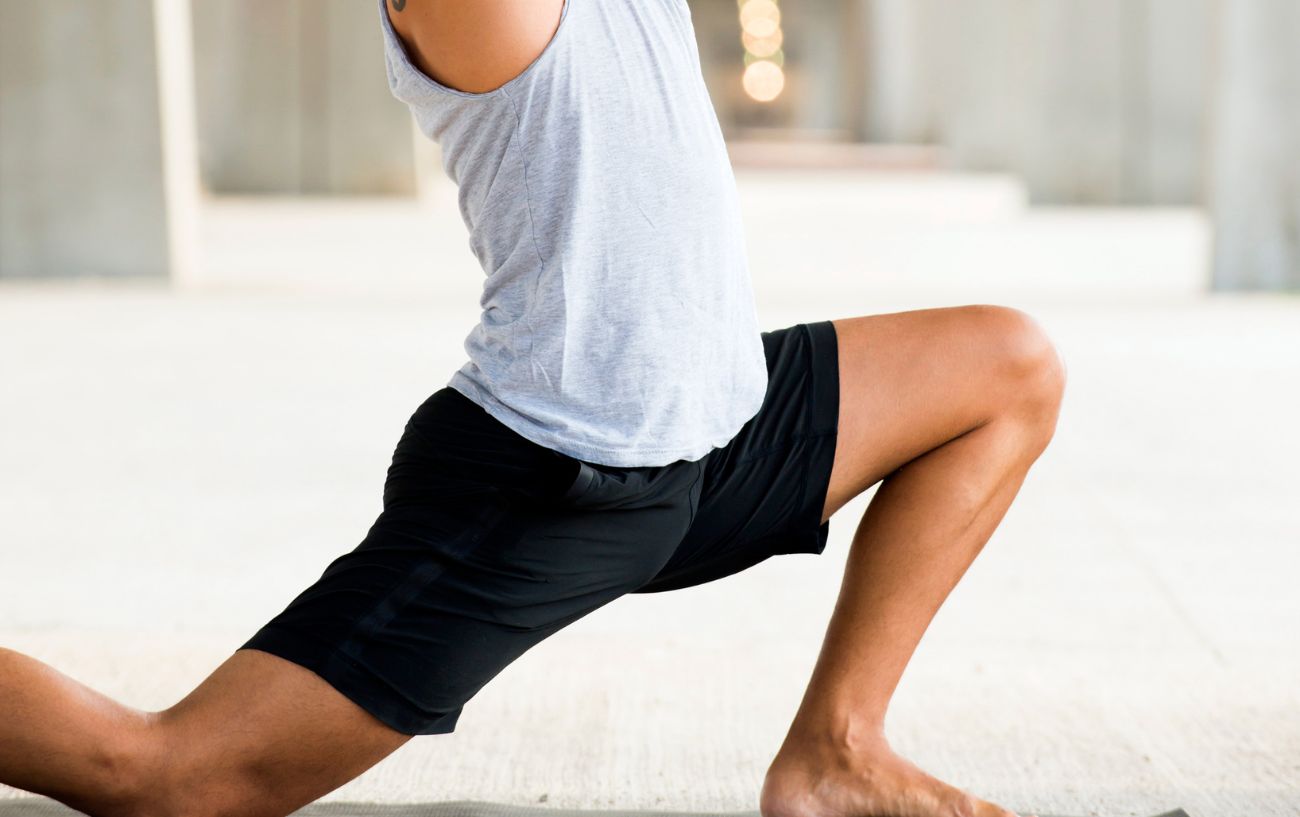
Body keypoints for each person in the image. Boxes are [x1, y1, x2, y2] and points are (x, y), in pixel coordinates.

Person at [0, 2, 1065, 815]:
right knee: (167, 779)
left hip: (723, 431)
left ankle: (837, 748)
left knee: (1006, 367)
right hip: (546, 478)